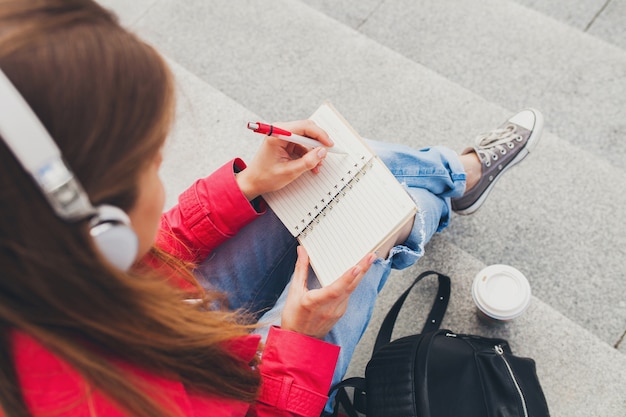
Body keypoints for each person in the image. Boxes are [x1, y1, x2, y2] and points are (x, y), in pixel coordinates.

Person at [0, 1, 543, 417]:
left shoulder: (34, 253)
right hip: (254, 391)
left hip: (167, 320)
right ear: (101, 227)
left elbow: (153, 253)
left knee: (336, 167)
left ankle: (452, 179)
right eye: (147, 161)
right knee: (375, 229)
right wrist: (301, 341)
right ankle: (449, 186)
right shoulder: (92, 400)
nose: (162, 162)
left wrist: (248, 185)